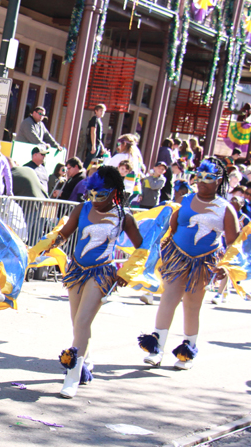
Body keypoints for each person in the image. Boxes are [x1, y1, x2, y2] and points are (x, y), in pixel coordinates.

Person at [40, 166, 142, 398]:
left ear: (114, 192)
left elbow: (142, 248)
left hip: (101, 273)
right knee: (77, 322)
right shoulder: (82, 209)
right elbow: (64, 234)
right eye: (91, 194)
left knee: (83, 320)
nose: (94, 200)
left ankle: (72, 376)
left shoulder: (123, 217)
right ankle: (86, 360)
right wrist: (43, 246)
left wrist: (127, 271)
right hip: (77, 270)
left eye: (101, 195)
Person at [137, 159, 239, 370]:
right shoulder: (184, 200)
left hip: (204, 263)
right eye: (199, 177)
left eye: (208, 178)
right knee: (169, 299)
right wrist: (164, 252)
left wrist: (224, 265)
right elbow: (171, 229)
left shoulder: (225, 208)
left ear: (218, 181)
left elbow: (233, 243)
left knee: (192, 306)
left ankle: (188, 352)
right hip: (177, 259)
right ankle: (156, 348)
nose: (201, 182)